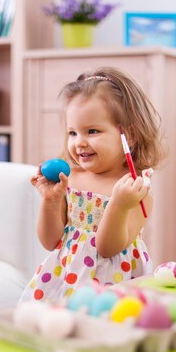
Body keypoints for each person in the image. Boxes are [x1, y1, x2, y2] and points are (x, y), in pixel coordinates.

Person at [20, 67, 165, 302]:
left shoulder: (134, 189)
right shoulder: (71, 180)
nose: (80, 143)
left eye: (92, 131)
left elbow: (107, 248)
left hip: (111, 289)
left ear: (129, 136)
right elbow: (50, 241)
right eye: (73, 133)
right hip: (65, 282)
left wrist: (118, 205)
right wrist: (50, 200)